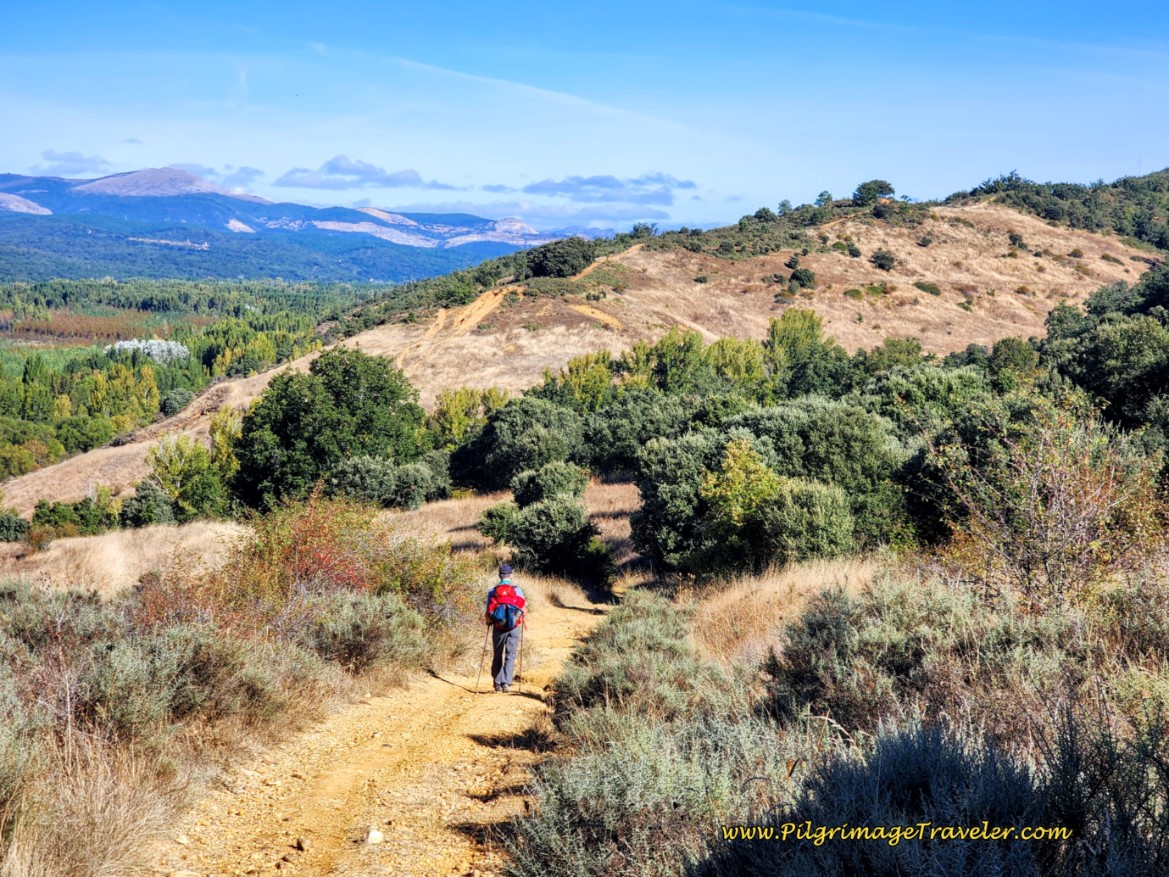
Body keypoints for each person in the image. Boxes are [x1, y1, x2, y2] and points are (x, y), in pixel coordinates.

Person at [485, 564, 526, 693]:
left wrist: (489, 622)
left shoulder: (492, 591)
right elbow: (523, 608)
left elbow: (488, 611)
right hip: (514, 627)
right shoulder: (517, 590)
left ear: (499, 576)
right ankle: (506, 683)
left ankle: (497, 684)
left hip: (498, 627)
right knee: (510, 654)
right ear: (511, 575)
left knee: (497, 654)